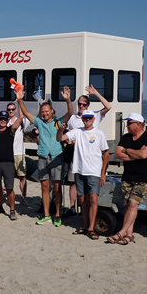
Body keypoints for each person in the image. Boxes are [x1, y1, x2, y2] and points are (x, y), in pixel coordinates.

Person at [16, 88, 69, 226]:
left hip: (57, 156)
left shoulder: (58, 122)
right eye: (43, 111)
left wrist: (68, 100)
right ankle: (46, 215)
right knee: (44, 187)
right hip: (43, 156)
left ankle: (57, 214)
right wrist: (20, 99)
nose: (44, 113)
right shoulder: (39, 122)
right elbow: (27, 113)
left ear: (52, 111)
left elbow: (70, 113)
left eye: (47, 111)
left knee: (57, 187)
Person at [57, 109, 109, 240]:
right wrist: (60, 129)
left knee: (93, 199)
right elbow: (60, 138)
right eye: (85, 118)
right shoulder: (78, 132)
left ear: (93, 119)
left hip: (94, 172)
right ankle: (86, 227)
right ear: (82, 119)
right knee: (83, 200)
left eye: (90, 118)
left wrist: (103, 173)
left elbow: (106, 153)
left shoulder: (99, 133)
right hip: (79, 171)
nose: (87, 120)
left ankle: (91, 228)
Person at [63, 85, 111, 216]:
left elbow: (108, 107)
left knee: (92, 187)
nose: (81, 106)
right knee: (72, 182)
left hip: (93, 156)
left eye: (84, 104)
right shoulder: (73, 118)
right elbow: (63, 129)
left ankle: (90, 209)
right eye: (79, 104)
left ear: (88, 105)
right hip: (76, 154)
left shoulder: (94, 115)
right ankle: (72, 208)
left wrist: (96, 93)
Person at [108, 113, 147, 245]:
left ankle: (121, 232)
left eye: (129, 123)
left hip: (144, 178)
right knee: (128, 207)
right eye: (127, 123)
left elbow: (145, 154)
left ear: (138, 124)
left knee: (133, 204)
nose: (127, 125)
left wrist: (127, 150)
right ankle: (129, 235)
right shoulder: (126, 138)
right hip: (128, 177)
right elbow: (117, 154)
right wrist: (135, 154)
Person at [0, 96, 26, 220]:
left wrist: (19, 100)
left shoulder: (11, 130)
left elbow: (21, 117)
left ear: (8, 120)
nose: (2, 120)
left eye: (4, 119)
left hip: (8, 162)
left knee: (9, 188)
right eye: (1, 118)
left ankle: (12, 210)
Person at [5, 98, 31, 206]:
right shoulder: (3, 121)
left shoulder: (23, 121)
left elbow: (30, 117)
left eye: (12, 109)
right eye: (9, 110)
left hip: (19, 152)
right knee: (8, 178)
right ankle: (9, 197)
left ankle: (24, 198)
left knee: (22, 177)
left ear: (15, 110)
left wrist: (19, 100)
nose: (10, 111)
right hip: (8, 153)